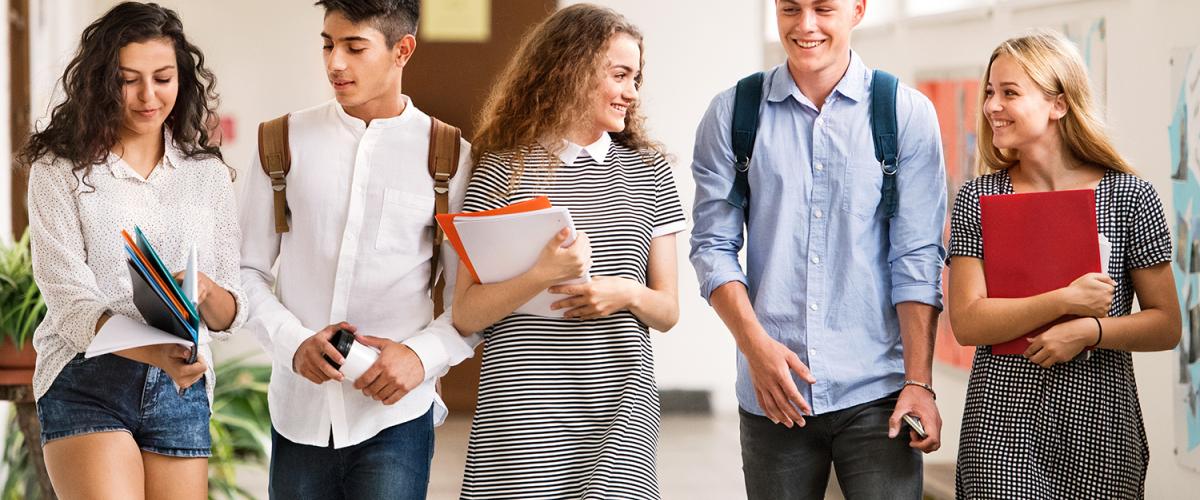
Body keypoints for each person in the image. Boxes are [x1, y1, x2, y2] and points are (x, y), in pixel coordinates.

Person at [689, 1, 948, 498]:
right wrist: (754, 346)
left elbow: (916, 258)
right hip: (774, 390)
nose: (805, 25)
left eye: (823, 8)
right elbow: (712, 246)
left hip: (880, 391)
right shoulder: (733, 113)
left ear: (857, 10)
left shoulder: (905, 113)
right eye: (790, 8)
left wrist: (920, 382)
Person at [238, 1, 476, 498]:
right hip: (300, 414)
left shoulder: (449, 158)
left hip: (396, 417)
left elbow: (470, 301)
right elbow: (246, 270)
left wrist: (420, 356)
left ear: (402, 50)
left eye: (354, 46)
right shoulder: (280, 141)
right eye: (327, 44)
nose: (334, 63)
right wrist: (292, 342)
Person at [450, 4, 687, 498]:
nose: (631, 92)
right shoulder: (502, 170)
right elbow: (468, 314)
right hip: (518, 421)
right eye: (619, 75)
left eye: (636, 78)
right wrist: (543, 273)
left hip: (620, 416)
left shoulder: (650, 172)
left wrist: (623, 293)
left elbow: (667, 311)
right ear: (571, 69)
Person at [21, 3, 244, 498]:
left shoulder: (206, 175)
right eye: (128, 80)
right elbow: (68, 301)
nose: (149, 96)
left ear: (181, 79)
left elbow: (232, 311)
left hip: (180, 387)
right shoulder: (60, 170)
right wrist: (153, 351)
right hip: (86, 378)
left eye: (163, 78)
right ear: (102, 82)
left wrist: (205, 291)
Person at [948, 30, 1181, 498]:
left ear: (1059, 104)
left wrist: (1089, 331)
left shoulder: (1130, 196)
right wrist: (1064, 301)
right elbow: (968, 322)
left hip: (1103, 426)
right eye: (990, 92)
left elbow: (1166, 324)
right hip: (1002, 426)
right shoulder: (979, 198)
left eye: (1010, 93)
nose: (992, 105)